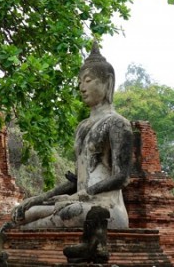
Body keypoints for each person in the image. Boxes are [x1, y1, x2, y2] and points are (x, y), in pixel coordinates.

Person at [10, 43, 134, 229]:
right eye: (79, 82)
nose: (82, 87)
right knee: (27, 213)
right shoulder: (82, 127)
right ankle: (22, 231)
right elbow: (78, 180)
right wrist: (41, 197)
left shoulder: (117, 123)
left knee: (68, 213)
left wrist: (78, 196)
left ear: (107, 82)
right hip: (79, 202)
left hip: (106, 208)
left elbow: (122, 177)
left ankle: (21, 235)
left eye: (88, 80)